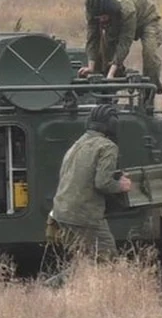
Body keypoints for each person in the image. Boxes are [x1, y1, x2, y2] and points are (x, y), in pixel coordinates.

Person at [46, 104, 132, 262]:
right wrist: (121, 185)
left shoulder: (79, 143)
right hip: (84, 215)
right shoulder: (107, 146)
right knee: (107, 259)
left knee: (84, 261)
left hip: (62, 212)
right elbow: (102, 183)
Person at [77, 0, 162, 93]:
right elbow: (93, 38)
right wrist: (91, 67)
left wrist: (111, 73)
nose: (100, 20)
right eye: (98, 18)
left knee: (149, 53)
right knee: (106, 53)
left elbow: (125, 42)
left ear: (110, 12)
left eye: (103, 17)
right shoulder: (93, 11)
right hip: (115, 20)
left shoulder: (127, 10)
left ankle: (150, 90)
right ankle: (108, 90)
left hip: (146, 19)